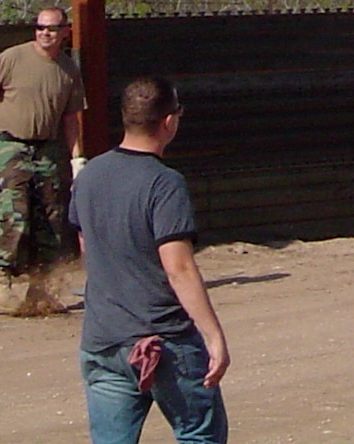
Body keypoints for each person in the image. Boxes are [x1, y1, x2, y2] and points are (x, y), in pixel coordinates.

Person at [70, 75, 231, 444]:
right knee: (199, 435)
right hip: (165, 341)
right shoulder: (164, 183)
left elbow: (88, 250)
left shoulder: (89, 175)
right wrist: (213, 335)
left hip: (103, 340)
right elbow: (179, 267)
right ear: (168, 121)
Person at [0, 6, 86, 310]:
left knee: (50, 215)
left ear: (65, 31)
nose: (45, 33)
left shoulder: (68, 70)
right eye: (40, 27)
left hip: (47, 147)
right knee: (14, 210)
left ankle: (40, 289)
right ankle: (2, 282)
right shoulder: (12, 58)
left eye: (51, 28)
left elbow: (70, 118)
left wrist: (77, 157)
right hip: (11, 144)